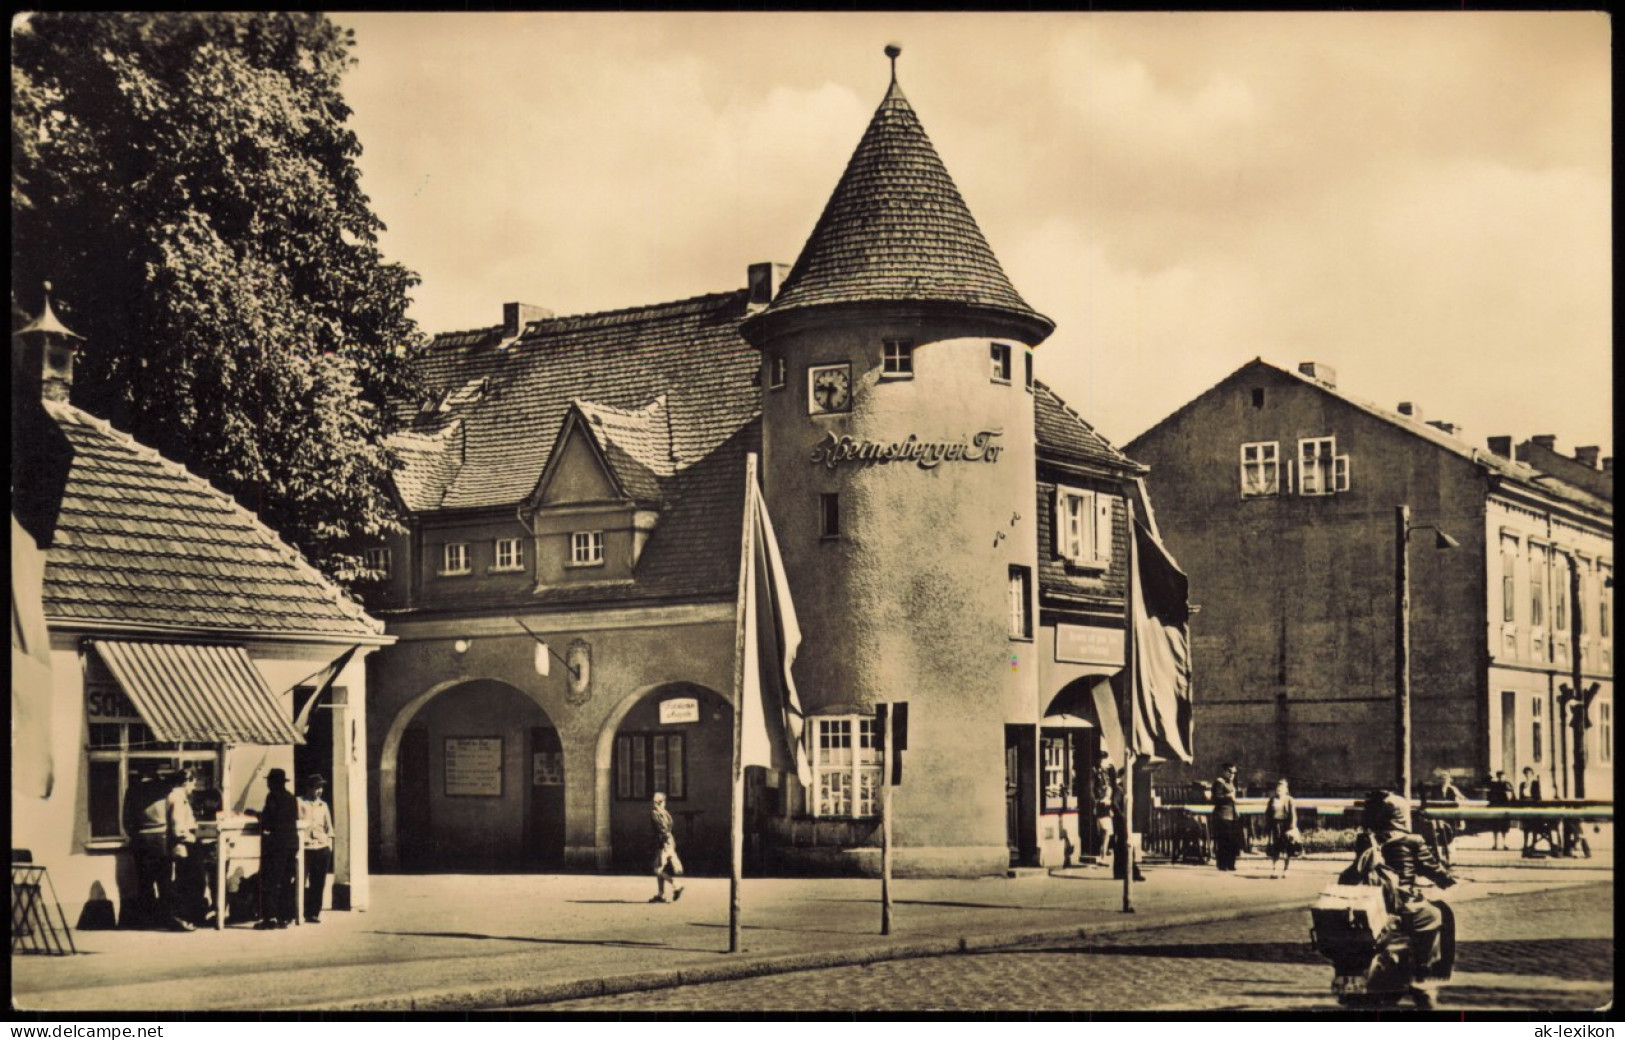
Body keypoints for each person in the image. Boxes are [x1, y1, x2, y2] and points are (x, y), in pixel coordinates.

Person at [1346, 788, 1457, 1010]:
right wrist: (1448, 879)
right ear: (1400, 814)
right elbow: (1432, 869)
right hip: (1404, 905)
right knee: (1439, 913)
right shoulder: (1412, 840)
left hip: (1374, 904)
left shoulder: (1364, 840)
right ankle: (1424, 975)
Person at [122, 767, 171, 928]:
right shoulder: (163, 787)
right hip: (161, 837)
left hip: (141, 838)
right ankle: (165, 917)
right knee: (164, 880)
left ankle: (148, 919)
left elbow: (126, 819)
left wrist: (135, 834)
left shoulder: (133, 789)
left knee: (144, 881)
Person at [253, 768, 301, 928]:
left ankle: (270, 918)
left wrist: (256, 815)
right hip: (292, 844)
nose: (268, 784)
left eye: (269, 781)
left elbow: (269, 819)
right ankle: (285, 917)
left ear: (273, 782)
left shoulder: (272, 796)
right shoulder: (291, 798)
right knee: (286, 881)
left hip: (277, 845)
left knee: (271, 881)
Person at [164, 768, 202, 931]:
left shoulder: (178, 797)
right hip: (182, 847)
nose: (193, 788)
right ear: (186, 782)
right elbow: (178, 829)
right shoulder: (178, 799)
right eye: (192, 784)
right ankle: (180, 919)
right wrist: (193, 838)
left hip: (182, 846)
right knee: (183, 884)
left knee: (184, 883)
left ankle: (182, 918)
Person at [300, 774, 335, 923]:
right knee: (301, 881)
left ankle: (314, 913)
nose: (319, 791)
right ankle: (299, 910)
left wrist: (329, 847)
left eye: (321, 787)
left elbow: (329, 829)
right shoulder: (300, 803)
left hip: (321, 848)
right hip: (305, 847)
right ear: (309, 788)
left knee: (318, 882)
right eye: (316, 787)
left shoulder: (324, 805)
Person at [1110, 772, 1146, 882]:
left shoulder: (1124, 790)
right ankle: (1132, 872)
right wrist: (1122, 816)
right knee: (1127, 846)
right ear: (1122, 777)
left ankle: (1121, 872)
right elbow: (1114, 803)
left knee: (1122, 846)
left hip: (1124, 822)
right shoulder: (1119, 789)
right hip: (1121, 822)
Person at [649, 792, 684, 903]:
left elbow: (662, 829)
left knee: (657, 869)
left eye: (658, 802)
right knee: (661, 868)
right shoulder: (666, 813)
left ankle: (676, 884)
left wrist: (664, 842)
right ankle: (661, 894)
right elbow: (669, 827)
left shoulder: (655, 813)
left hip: (662, 843)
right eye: (656, 802)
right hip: (669, 842)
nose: (656, 804)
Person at [1210, 763, 1243, 872]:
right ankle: (1222, 864)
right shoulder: (1219, 782)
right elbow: (1215, 798)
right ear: (1224, 771)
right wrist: (1227, 797)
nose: (1232, 774)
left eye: (1234, 772)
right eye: (1230, 771)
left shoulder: (1232, 783)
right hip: (1222, 815)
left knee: (1233, 841)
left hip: (1232, 815)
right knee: (1224, 841)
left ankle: (1231, 864)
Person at [1264, 778, 1298, 878]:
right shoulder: (1272, 799)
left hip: (1286, 826)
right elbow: (1268, 814)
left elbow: (1293, 814)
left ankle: (1286, 870)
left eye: (1282, 786)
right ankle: (1274, 870)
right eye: (1278, 786)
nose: (1279, 788)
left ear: (1286, 789)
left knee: (1287, 848)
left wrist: (1292, 827)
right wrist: (1268, 826)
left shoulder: (1289, 799)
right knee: (1275, 848)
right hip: (1275, 826)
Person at [1090, 751, 1117, 862]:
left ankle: (1103, 854)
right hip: (1101, 804)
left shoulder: (1106, 772)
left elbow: (1110, 785)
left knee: (1107, 832)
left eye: (1104, 759)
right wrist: (1095, 802)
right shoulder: (1094, 772)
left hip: (1107, 803)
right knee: (1105, 831)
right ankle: (1102, 856)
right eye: (1100, 759)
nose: (1102, 761)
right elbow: (1091, 789)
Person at [1518, 766, 1549, 855]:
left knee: (1534, 826)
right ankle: (1525, 844)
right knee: (1525, 827)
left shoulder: (1535, 783)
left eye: (1529, 774)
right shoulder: (1522, 784)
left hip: (1533, 806)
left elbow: (1538, 796)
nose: (1528, 775)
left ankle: (1533, 844)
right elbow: (1521, 796)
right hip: (1525, 807)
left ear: (1532, 774)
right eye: (1526, 774)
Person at [1485, 770, 1515, 850]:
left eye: (1502, 776)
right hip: (1497, 807)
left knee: (1504, 827)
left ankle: (1504, 843)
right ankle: (1495, 844)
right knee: (1495, 826)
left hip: (1504, 807)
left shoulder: (1507, 784)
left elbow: (1510, 797)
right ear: (1498, 777)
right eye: (1500, 776)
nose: (1501, 778)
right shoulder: (1495, 785)